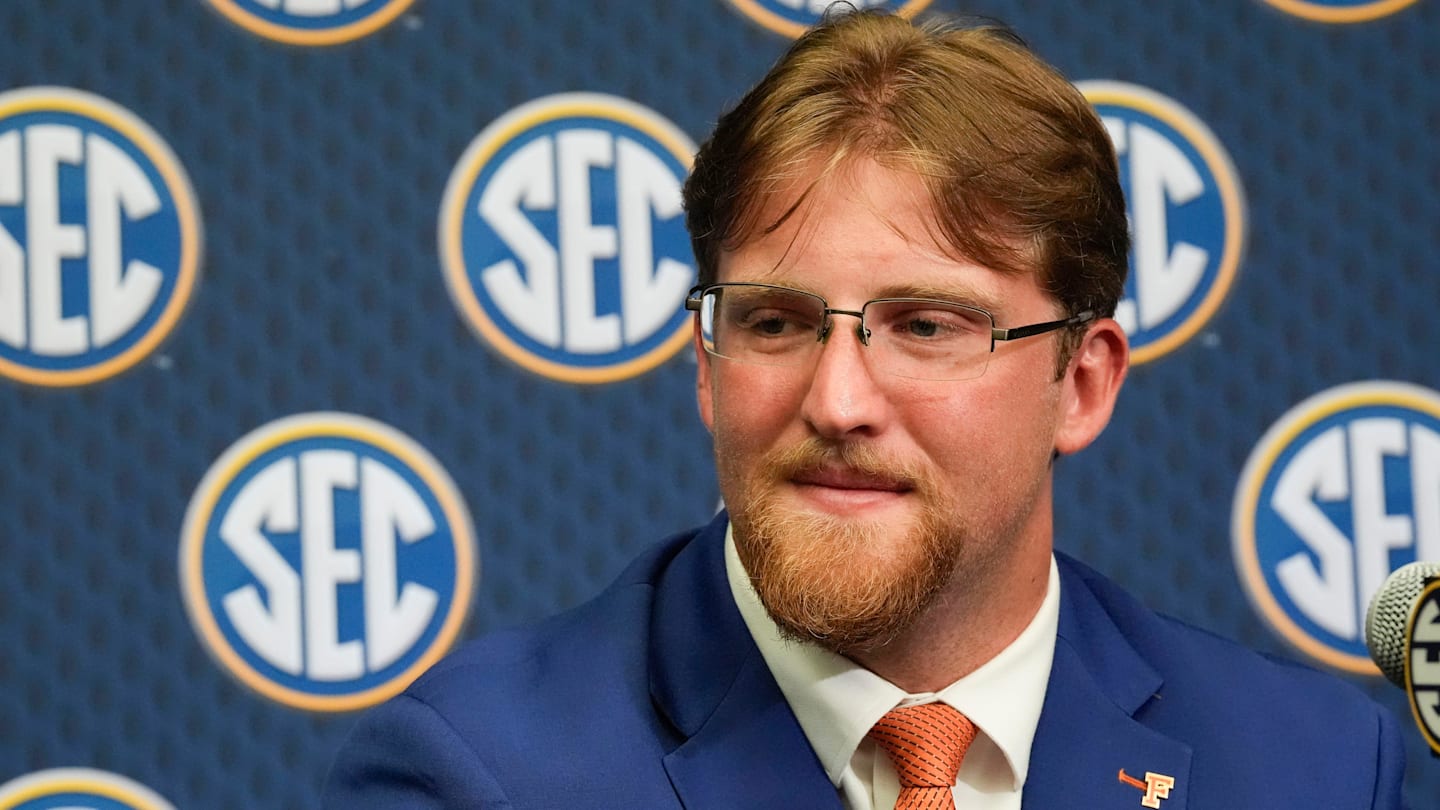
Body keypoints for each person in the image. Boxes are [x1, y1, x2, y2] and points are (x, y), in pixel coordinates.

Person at [324, 10, 1407, 808]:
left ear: (1081, 384)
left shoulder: (1316, 770)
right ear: (706, 363)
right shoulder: (477, 776)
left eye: (928, 326)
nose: (838, 401)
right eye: (778, 322)